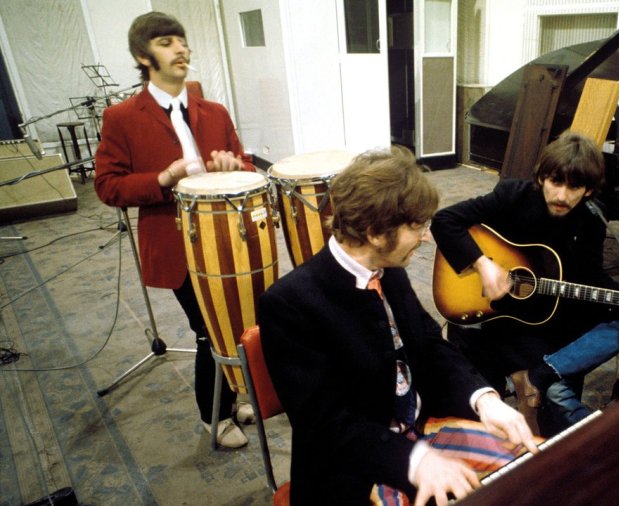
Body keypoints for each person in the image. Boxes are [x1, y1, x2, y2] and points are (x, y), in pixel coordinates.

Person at [257, 146, 538, 506]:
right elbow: (325, 423)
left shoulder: (389, 268)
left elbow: (430, 345)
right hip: (353, 466)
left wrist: (483, 399)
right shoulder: (289, 303)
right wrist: (415, 461)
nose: (426, 237)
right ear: (376, 232)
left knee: (534, 469)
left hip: (422, 430)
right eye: (418, 227)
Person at [430, 131, 619, 436]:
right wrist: (482, 264)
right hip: (511, 316)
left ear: (588, 190)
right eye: (556, 182)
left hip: (558, 309)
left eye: (574, 187)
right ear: (542, 177)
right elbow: (444, 221)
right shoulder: (513, 196)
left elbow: (591, 274)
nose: (562, 196)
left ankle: (541, 376)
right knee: (556, 389)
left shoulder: (591, 217)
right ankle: (564, 408)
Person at [94, 12, 255, 448]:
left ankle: (235, 396)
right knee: (209, 329)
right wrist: (162, 178)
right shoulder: (121, 117)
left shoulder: (214, 111)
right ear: (143, 57)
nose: (180, 48)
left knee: (238, 322)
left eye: (181, 40)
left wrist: (233, 166)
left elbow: (244, 163)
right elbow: (107, 186)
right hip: (176, 244)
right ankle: (213, 416)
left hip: (229, 237)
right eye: (166, 42)